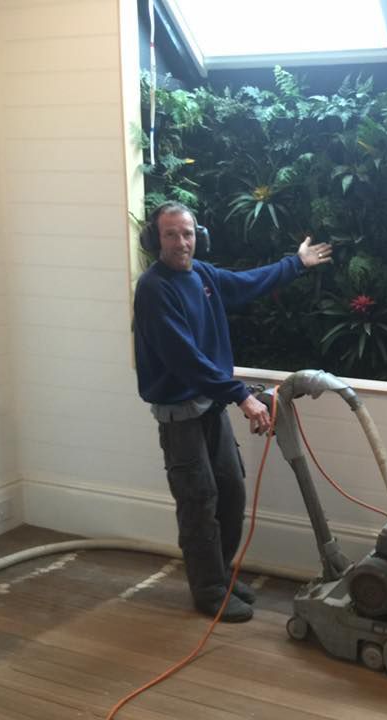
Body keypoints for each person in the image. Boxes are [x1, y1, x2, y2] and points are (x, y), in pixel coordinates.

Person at [133, 201, 332, 622]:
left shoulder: (203, 276)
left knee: (231, 491)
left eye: (187, 233)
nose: (181, 242)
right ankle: (207, 590)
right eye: (170, 234)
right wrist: (241, 395)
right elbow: (182, 358)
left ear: (198, 236)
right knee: (199, 500)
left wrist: (294, 264)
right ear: (155, 240)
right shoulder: (154, 289)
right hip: (180, 415)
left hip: (210, 405)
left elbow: (247, 283)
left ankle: (220, 575)